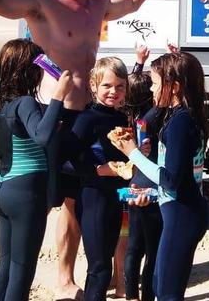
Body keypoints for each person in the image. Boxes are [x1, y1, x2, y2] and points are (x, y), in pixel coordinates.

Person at [0, 0, 167, 299]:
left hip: (90, 114)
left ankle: (104, 273)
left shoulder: (97, 5)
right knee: (57, 201)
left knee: (91, 195)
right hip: (52, 114)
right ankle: (62, 278)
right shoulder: (41, 2)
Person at [112, 52, 209, 301]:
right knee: (160, 285)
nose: (152, 90)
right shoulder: (184, 116)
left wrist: (132, 153)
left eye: (155, 83)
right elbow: (182, 177)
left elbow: (171, 179)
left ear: (174, 87)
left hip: (182, 215)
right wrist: (152, 193)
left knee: (166, 292)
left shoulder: (179, 123)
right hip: (182, 209)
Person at [0, 38, 73, 301]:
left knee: (7, 264)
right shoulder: (26, 103)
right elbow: (43, 136)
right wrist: (59, 94)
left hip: (1, 188)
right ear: (30, 70)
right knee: (22, 270)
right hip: (25, 194)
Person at [71, 57, 133, 301]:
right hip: (93, 197)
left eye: (120, 86)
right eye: (107, 85)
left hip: (114, 197)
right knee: (99, 268)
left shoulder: (120, 118)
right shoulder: (86, 119)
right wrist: (98, 170)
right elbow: (65, 160)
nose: (113, 92)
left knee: (104, 263)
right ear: (93, 85)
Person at [123, 46, 163, 301]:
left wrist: (139, 64)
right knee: (152, 249)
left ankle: (130, 295)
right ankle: (147, 294)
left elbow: (133, 86)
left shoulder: (127, 117)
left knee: (133, 247)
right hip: (150, 187)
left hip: (131, 185)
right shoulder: (152, 117)